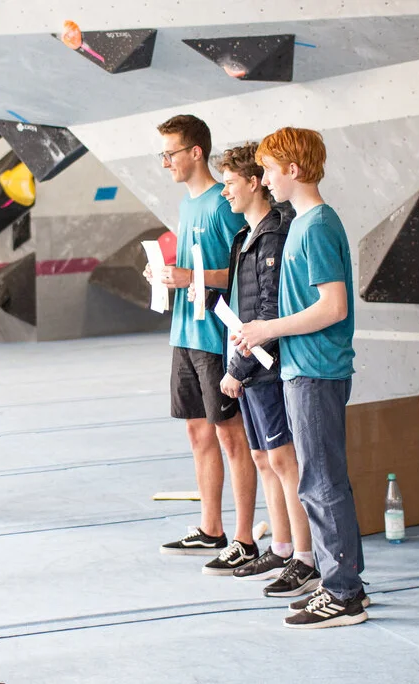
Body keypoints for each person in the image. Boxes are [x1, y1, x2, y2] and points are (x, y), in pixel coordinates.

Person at [237, 127, 369, 629]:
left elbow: (332, 306)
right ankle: (345, 584)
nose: (265, 180)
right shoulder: (305, 223)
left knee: (321, 481)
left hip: (315, 368)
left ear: (293, 170)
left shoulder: (314, 226)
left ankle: (343, 592)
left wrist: (268, 328)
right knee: (321, 479)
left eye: (269, 169)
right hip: (302, 366)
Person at [149, 115, 258, 574]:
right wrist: (166, 275)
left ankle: (244, 538)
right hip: (184, 333)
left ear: (195, 153)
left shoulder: (222, 203)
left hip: (216, 338)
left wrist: (189, 276)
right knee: (198, 433)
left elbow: (240, 272)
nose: (165, 163)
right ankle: (210, 527)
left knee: (232, 438)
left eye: (170, 153)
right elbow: (196, 267)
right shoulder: (188, 205)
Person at [214, 144, 320, 598]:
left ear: (255, 182)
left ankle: (306, 557)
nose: (225, 193)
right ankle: (279, 546)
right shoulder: (246, 235)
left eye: (230, 184)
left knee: (283, 460)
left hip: (268, 365)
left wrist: (237, 367)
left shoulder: (275, 234)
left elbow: (269, 309)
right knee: (263, 458)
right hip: (249, 362)